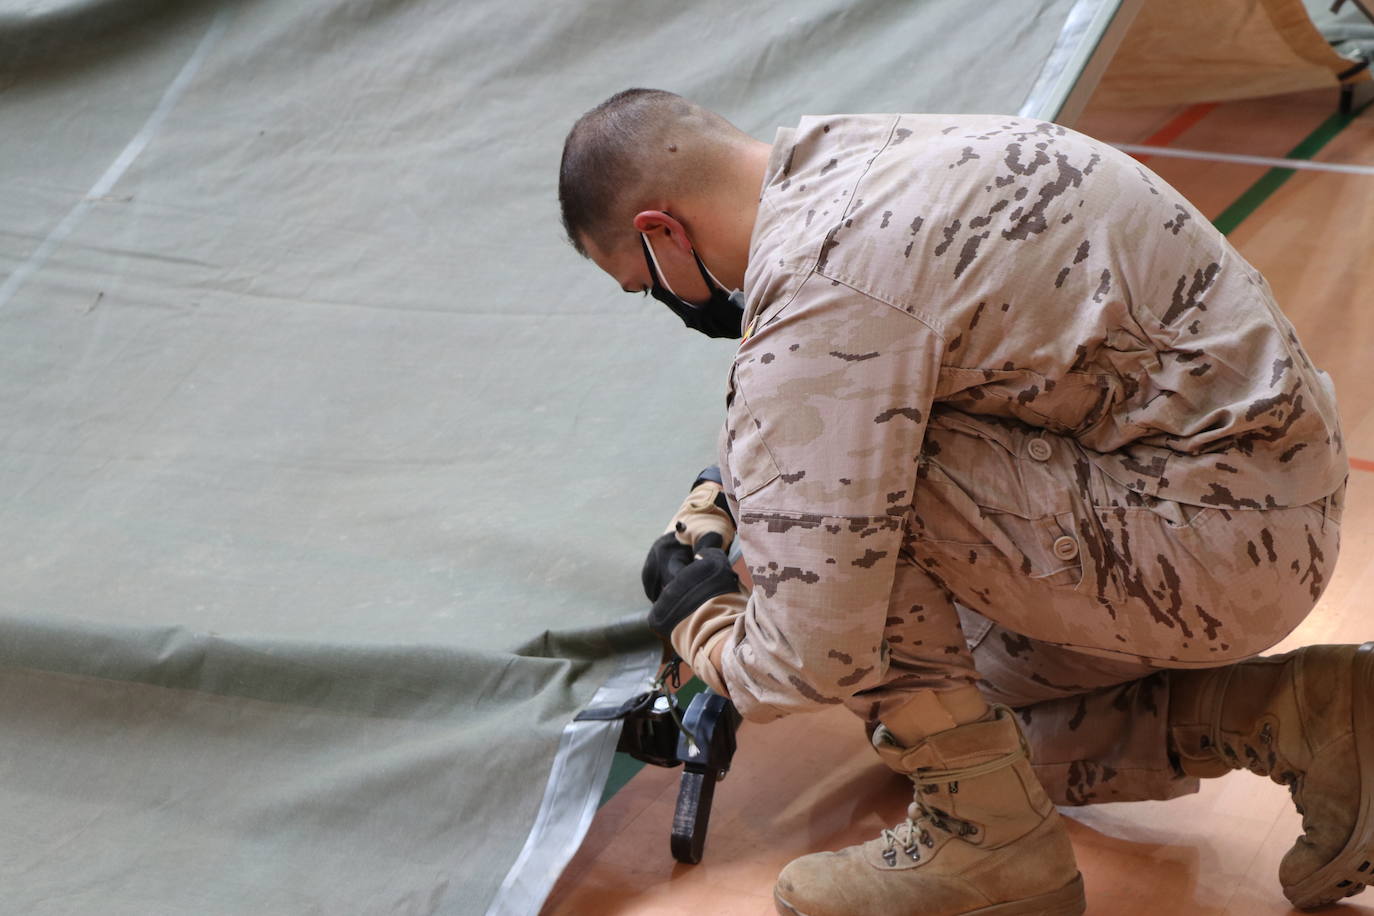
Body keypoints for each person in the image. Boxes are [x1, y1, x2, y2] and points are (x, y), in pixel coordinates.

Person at [558, 88, 1365, 916]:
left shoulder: (819, 281)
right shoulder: (877, 151)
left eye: (646, 285)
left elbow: (808, 656)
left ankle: (988, 842)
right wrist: (753, 473)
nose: (667, 302)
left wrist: (699, 614)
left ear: (663, 231)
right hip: (1264, 492)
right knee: (961, 719)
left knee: (840, 523)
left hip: (1217, 550)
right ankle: (1303, 715)